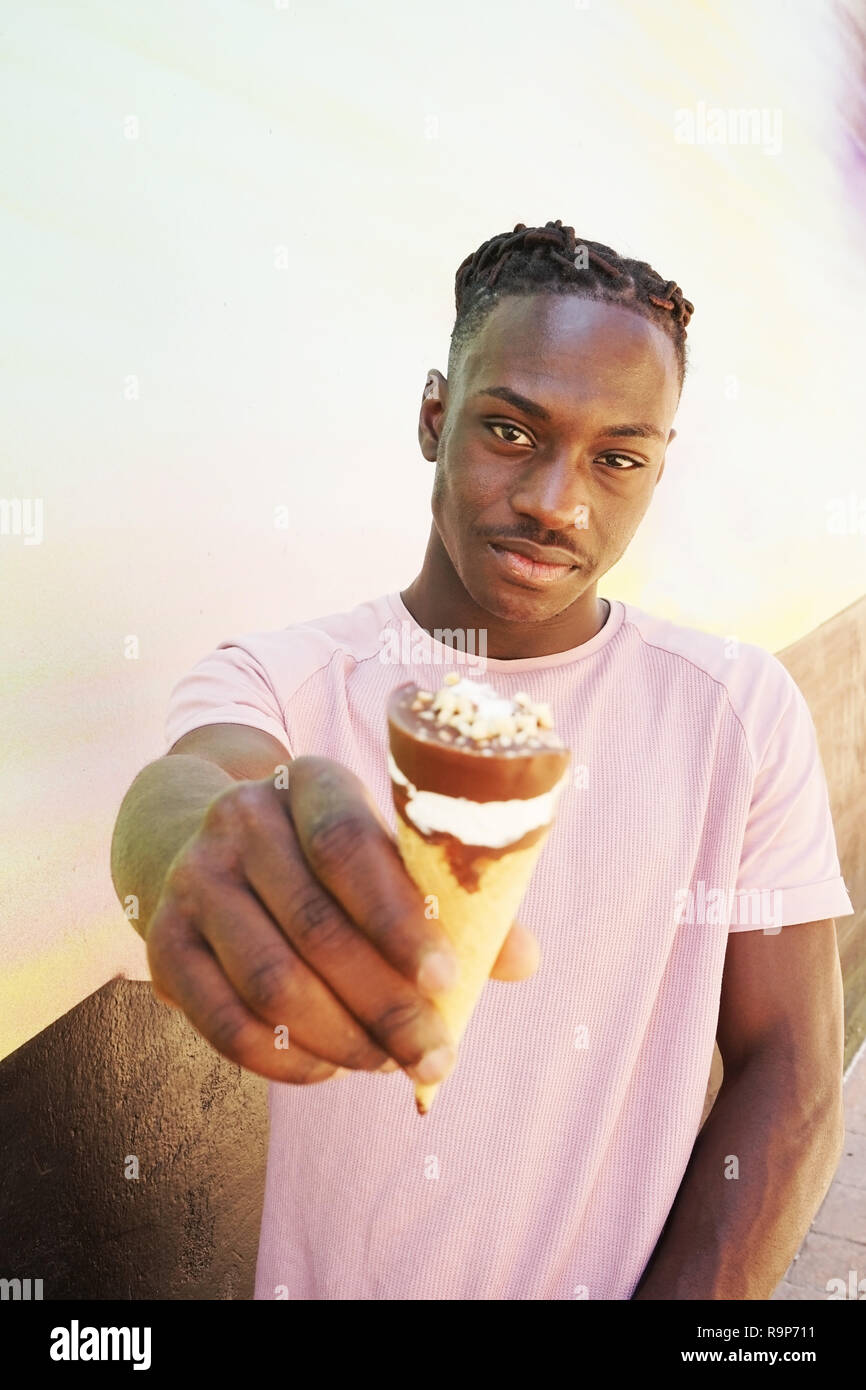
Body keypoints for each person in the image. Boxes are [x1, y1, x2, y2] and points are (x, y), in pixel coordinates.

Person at [110, 220, 854, 1300]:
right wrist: (186, 850)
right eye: (510, 430)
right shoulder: (286, 680)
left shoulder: (735, 710)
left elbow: (791, 1071)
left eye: (616, 457)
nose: (558, 501)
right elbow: (188, 794)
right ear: (433, 416)